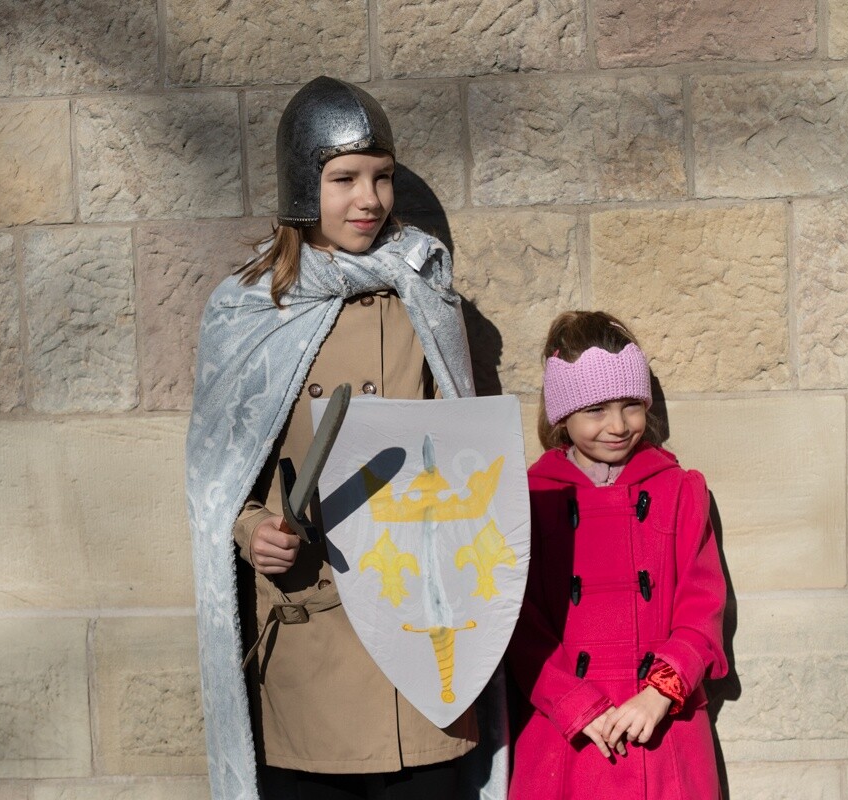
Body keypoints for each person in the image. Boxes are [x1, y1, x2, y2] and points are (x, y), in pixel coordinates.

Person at [186, 76, 505, 800]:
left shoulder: (423, 288)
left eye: (382, 178)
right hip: (309, 641)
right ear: (304, 183)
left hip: (416, 637)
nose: (369, 200)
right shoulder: (249, 306)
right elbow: (221, 473)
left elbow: (463, 453)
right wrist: (250, 530)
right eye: (344, 179)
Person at [508, 311, 727, 799]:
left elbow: (703, 606)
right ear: (562, 415)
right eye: (595, 409)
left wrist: (659, 693)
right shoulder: (529, 499)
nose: (618, 425)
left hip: (663, 725)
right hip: (566, 731)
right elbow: (519, 623)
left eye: (631, 405)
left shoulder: (680, 491)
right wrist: (576, 705)